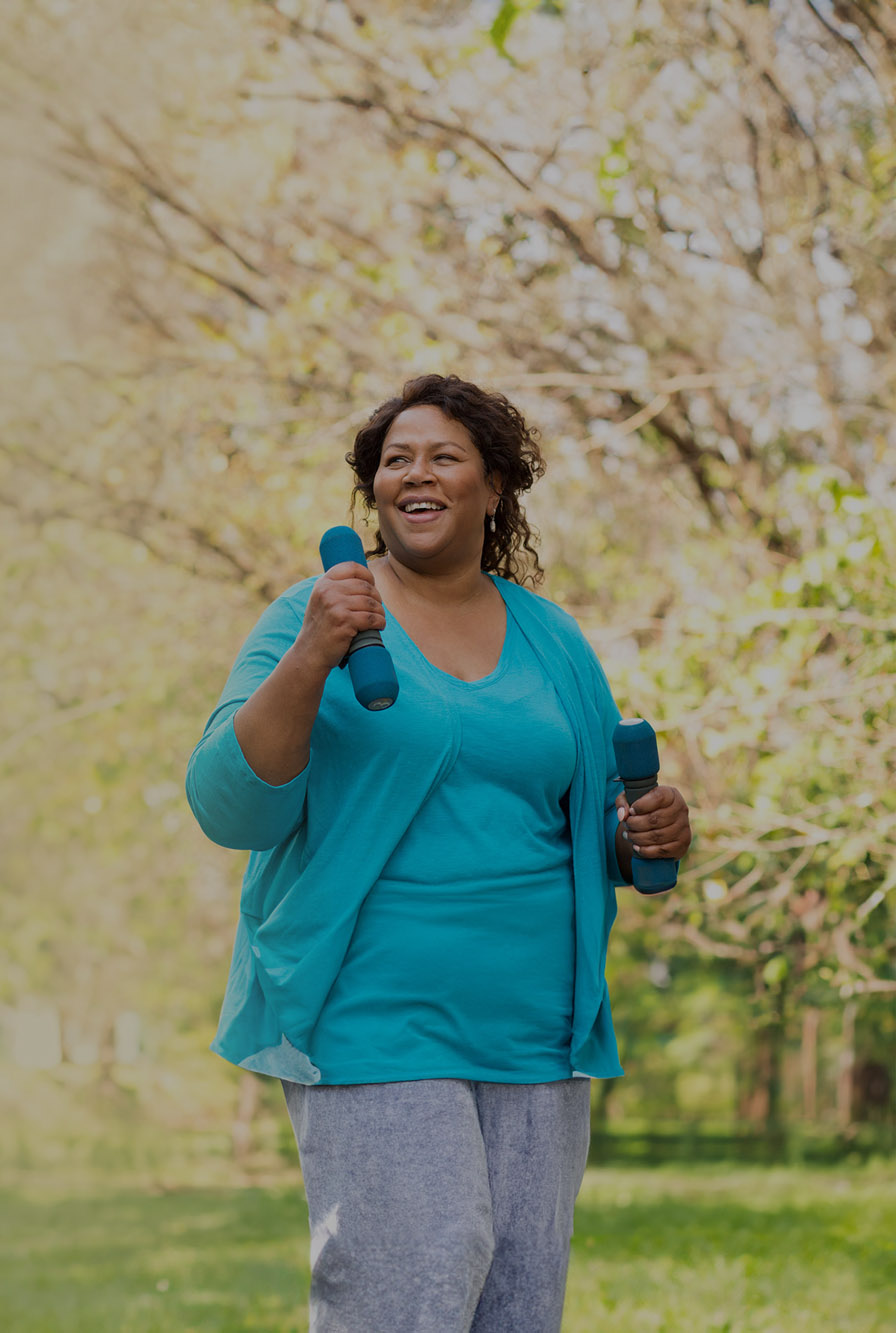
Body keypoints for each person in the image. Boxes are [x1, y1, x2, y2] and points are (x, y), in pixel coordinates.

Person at [184, 375, 692, 1332]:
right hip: (377, 1013)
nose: (414, 474)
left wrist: (641, 836)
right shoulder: (320, 610)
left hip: (536, 1028)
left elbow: (584, 825)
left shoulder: (552, 639)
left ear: (495, 486)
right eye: (395, 460)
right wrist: (312, 655)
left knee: (518, 1301)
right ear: (373, 489)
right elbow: (227, 803)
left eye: (444, 455)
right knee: (414, 1282)